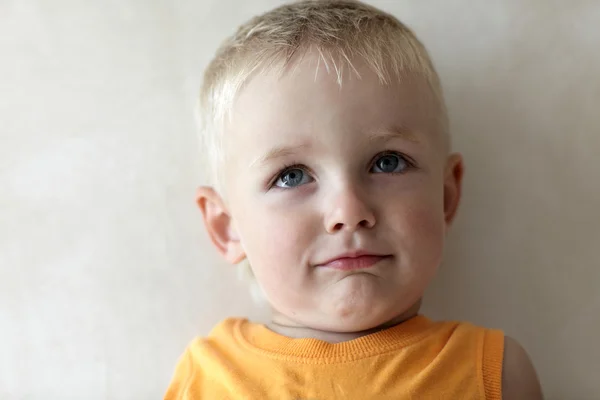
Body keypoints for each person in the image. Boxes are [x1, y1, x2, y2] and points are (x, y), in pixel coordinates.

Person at [165, 1, 543, 398]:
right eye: (291, 176)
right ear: (227, 227)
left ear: (446, 197)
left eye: (387, 163)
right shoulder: (206, 379)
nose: (349, 213)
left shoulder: (494, 373)